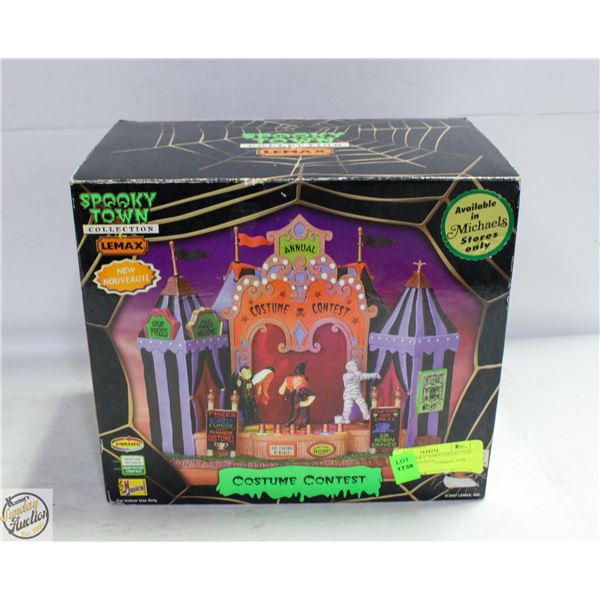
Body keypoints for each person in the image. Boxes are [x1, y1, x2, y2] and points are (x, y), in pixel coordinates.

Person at [278, 362, 315, 428]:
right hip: (295, 406)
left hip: (302, 407)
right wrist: (285, 386)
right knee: (294, 413)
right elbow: (281, 391)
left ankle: (300, 423)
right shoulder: (290, 382)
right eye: (296, 378)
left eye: (300, 378)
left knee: (302, 414)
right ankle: (292, 422)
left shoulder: (303, 387)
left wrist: (305, 403)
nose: (298, 380)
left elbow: (312, 395)